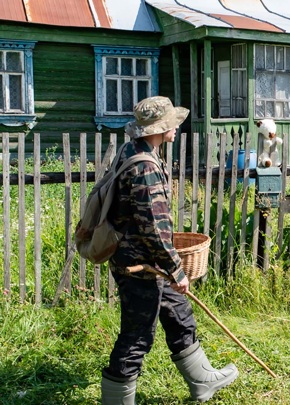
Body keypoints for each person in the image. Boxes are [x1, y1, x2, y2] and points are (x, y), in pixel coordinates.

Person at [101, 96, 239, 403]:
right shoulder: (145, 167)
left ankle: (202, 381)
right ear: (157, 128)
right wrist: (178, 270)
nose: (176, 126)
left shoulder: (134, 150)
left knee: (178, 313)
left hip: (149, 261)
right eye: (172, 122)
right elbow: (154, 228)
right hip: (141, 266)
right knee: (137, 336)